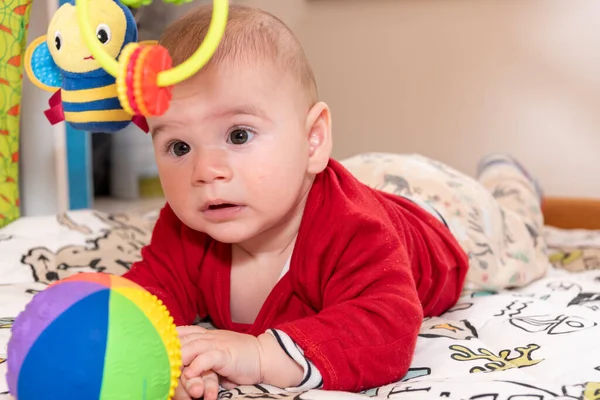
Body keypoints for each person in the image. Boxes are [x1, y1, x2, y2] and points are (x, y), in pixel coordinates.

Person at [123, 4, 549, 400]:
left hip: (444, 213)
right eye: (179, 147)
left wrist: (257, 354)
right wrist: (167, 356)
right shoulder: (188, 228)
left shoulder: (352, 231)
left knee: (516, 231)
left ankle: (509, 179)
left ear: (313, 141)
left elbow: (386, 327)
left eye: (238, 135)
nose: (205, 170)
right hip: (361, 178)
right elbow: (148, 297)